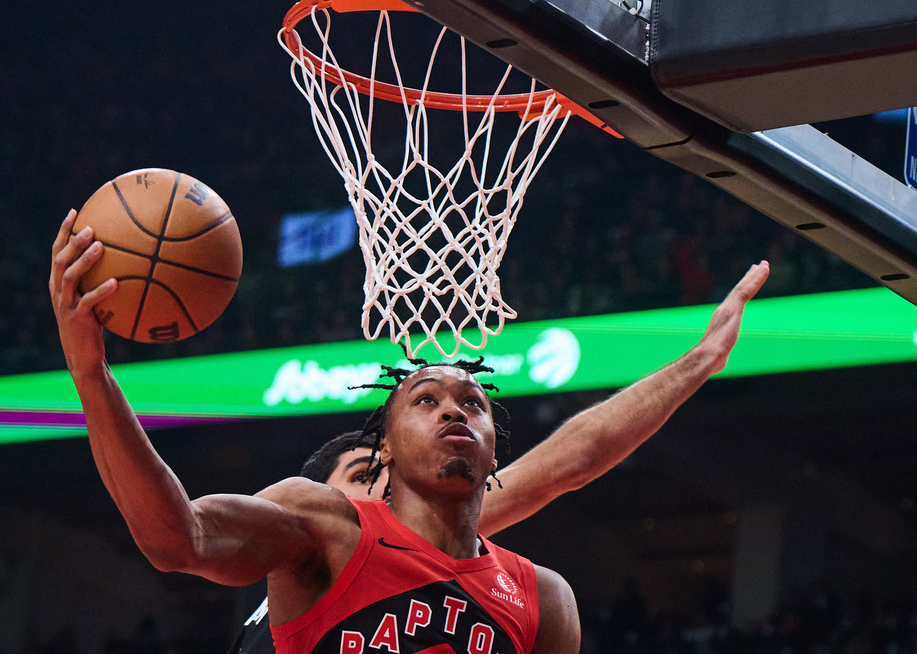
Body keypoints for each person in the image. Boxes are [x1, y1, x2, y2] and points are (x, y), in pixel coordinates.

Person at [50, 211, 769, 654]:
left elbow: (570, 459)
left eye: (474, 401)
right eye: (425, 398)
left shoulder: (539, 596)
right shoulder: (327, 530)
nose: (457, 409)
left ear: (492, 448)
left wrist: (698, 362)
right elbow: (177, 537)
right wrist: (91, 375)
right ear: (385, 458)